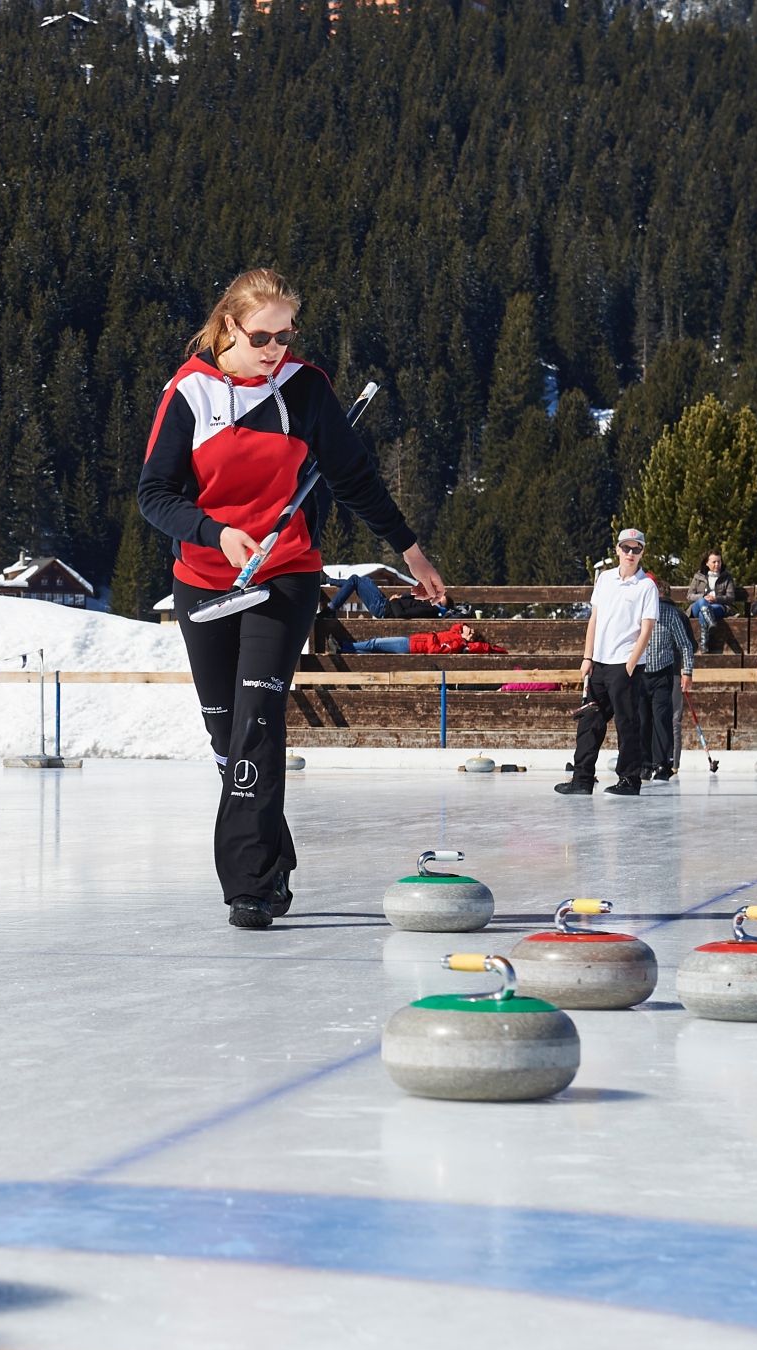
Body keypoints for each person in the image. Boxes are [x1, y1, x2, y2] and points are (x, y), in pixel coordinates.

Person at [139, 267, 445, 929]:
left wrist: (408, 547)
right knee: (227, 738)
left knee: (256, 725)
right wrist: (214, 532)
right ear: (228, 327)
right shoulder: (189, 393)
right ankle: (271, 856)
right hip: (204, 580)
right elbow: (154, 495)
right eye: (262, 335)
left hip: (284, 576)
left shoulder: (304, 388)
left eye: (286, 334)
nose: (276, 347)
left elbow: (353, 474)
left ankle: (249, 884)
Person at [557, 528, 658, 796]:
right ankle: (582, 779)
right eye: (626, 548)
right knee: (590, 723)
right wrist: (587, 657)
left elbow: (646, 629)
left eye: (636, 549)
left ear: (642, 553)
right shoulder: (604, 579)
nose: (631, 554)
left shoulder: (647, 586)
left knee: (627, 724)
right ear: (617, 550)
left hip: (626, 666)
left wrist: (630, 665)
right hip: (599, 664)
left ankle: (629, 779)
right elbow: (595, 619)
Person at [639, 582, 695, 782]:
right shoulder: (635, 611)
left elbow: (686, 645)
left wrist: (687, 672)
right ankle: (643, 763)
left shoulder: (671, 614)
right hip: (639, 674)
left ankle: (662, 763)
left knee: (662, 719)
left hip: (663, 674)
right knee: (642, 720)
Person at [346, 621, 504, 653]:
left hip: (411, 646)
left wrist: (433, 636)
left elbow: (434, 650)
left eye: (470, 633)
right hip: (413, 641)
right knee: (373, 652)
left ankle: (344, 647)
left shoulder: (456, 644)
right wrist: (463, 627)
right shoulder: (456, 635)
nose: (467, 630)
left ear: (469, 639)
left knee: (375, 643)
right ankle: (342, 651)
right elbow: (456, 626)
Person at [687, 550, 735, 651]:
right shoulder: (698, 576)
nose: (717, 564)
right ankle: (711, 622)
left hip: (717, 606)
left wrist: (716, 599)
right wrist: (703, 597)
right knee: (702, 602)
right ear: (707, 563)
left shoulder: (726, 577)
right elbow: (689, 596)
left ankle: (704, 644)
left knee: (702, 613)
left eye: (719, 562)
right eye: (714, 562)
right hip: (698, 606)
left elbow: (730, 597)